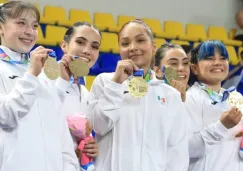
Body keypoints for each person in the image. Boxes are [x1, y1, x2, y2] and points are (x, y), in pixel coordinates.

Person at [86, 19, 189, 171]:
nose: (133, 47)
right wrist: (116, 84)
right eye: (125, 43)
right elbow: (99, 127)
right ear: (120, 49)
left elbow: (177, 151)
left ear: (153, 46)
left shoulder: (171, 95)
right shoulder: (104, 82)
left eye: (140, 40)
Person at [0, 1, 79, 171]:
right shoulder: (32, 70)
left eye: (34, 25)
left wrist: (70, 165)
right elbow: (6, 115)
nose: (29, 32)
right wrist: (31, 76)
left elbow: (57, 126)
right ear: (1, 28)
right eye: (21, 23)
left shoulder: (42, 72)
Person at [185, 40, 243, 171]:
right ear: (194, 68)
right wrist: (222, 126)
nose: (218, 63)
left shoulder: (236, 97)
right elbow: (187, 148)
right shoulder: (190, 98)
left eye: (223, 58)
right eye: (209, 58)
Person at [59, 22, 101, 159]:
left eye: (94, 47)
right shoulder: (42, 81)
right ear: (64, 45)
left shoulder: (85, 93)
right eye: (80, 42)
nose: (87, 51)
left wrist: (90, 146)